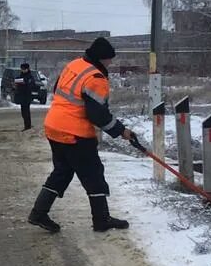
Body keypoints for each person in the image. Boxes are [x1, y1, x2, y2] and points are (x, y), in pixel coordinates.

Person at [27, 36, 133, 234]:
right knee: (93, 174)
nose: (111, 63)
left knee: (62, 171)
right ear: (102, 58)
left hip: (54, 126)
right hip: (74, 133)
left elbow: (58, 89)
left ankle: (38, 213)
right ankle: (101, 220)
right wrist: (121, 131)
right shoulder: (96, 78)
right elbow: (98, 115)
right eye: (110, 59)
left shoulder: (75, 64)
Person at [12, 62, 35, 130]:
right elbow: (16, 85)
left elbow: (31, 86)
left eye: (24, 69)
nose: (23, 70)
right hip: (21, 96)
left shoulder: (30, 77)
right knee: (23, 112)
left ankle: (28, 126)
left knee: (26, 112)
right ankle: (26, 125)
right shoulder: (20, 77)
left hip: (27, 96)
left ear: (27, 69)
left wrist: (25, 83)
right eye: (22, 69)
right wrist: (15, 86)